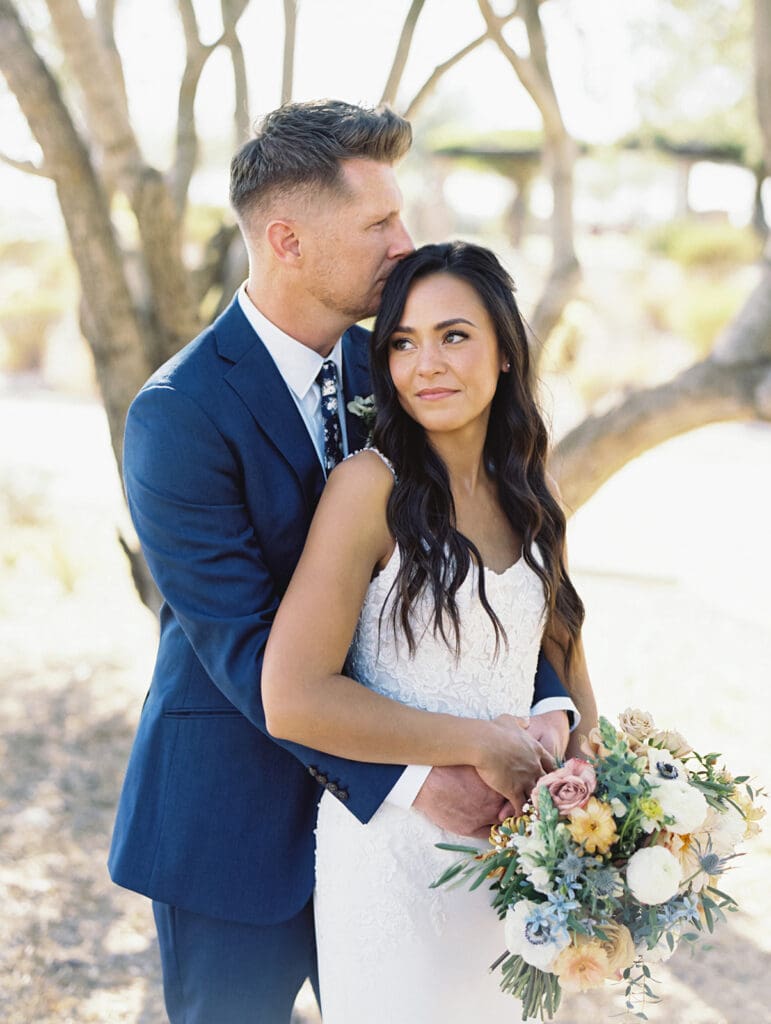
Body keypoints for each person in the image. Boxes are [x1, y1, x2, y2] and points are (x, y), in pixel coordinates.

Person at [108, 101, 577, 1023]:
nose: (405, 244)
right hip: (234, 819)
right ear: (286, 239)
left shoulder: (396, 364)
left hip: (413, 847)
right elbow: (244, 649)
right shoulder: (178, 414)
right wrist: (411, 780)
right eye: (378, 225)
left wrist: (549, 704)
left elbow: (496, 549)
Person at [262, 240, 598, 1021]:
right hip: (392, 862)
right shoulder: (365, 490)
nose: (426, 365)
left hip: (522, 866)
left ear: (505, 352)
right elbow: (294, 698)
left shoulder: (533, 490)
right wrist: (478, 743)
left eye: (453, 335)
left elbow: (565, 658)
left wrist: (590, 787)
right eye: (403, 343)